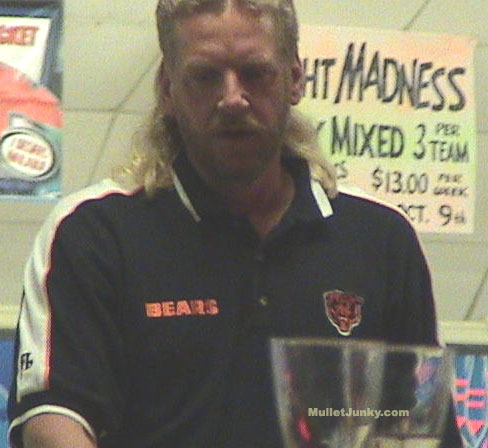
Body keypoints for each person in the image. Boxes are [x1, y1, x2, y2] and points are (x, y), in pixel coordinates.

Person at [8, 0, 462, 447]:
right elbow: (53, 425)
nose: (232, 98)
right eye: (205, 76)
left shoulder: (380, 237)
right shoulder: (94, 233)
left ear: (295, 78)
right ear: (167, 88)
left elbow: (421, 428)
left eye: (255, 73)